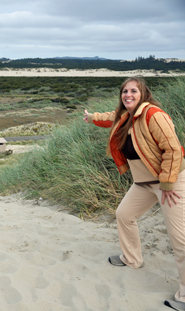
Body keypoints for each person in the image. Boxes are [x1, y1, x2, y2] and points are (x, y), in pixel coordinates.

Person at [83, 77, 185, 310]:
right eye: (124, 91)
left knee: (180, 239)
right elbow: (108, 118)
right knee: (124, 215)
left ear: (143, 93)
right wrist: (90, 118)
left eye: (133, 91)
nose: (128, 95)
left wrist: (168, 184)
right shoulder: (124, 116)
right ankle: (132, 258)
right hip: (144, 183)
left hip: (170, 183)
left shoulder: (153, 115)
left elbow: (172, 149)